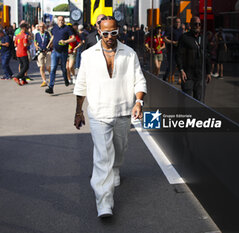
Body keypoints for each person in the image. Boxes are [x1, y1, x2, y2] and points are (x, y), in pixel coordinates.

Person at [73, 16, 147, 218]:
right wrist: (78, 111)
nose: (109, 37)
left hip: (123, 111)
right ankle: (104, 202)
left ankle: (116, 169)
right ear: (99, 31)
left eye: (113, 32)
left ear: (118, 31)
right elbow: (81, 86)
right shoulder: (88, 55)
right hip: (99, 113)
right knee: (102, 157)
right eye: (105, 33)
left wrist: (139, 102)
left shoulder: (129, 53)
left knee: (119, 150)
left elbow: (139, 81)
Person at [176, 16, 211, 101]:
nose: (198, 26)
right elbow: (178, 55)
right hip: (188, 74)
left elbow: (207, 56)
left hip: (200, 74)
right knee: (186, 100)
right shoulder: (184, 37)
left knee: (200, 101)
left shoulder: (203, 38)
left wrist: (208, 72)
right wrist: (181, 70)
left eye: (199, 24)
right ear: (190, 25)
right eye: (195, 24)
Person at [45, 16, 76, 94]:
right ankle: (50, 87)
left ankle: (66, 79)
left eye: (62, 20)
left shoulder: (67, 28)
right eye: (60, 20)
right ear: (57, 21)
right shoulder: (54, 28)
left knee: (63, 69)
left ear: (64, 21)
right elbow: (53, 37)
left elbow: (74, 38)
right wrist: (48, 45)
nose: (61, 21)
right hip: (55, 51)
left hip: (63, 52)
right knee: (53, 69)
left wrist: (65, 41)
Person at [163, 17, 183, 83]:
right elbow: (165, 39)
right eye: (176, 22)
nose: (178, 24)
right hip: (171, 50)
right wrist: (173, 42)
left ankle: (179, 78)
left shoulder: (181, 29)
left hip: (179, 50)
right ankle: (166, 76)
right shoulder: (170, 29)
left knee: (179, 64)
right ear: (174, 23)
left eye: (179, 22)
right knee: (171, 65)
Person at [34, 22, 51, 87]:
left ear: (45, 27)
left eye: (43, 26)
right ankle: (44, 81)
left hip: (47, 51)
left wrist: (49, 47)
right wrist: (36, 47)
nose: (42, 28)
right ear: (38, 27)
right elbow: (35, 42)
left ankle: (51, 77)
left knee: (48, 66)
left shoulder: (47, 33)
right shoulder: (37, 34)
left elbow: (51, 41)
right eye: (40, 26)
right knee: (41, 66)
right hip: (40, 52)